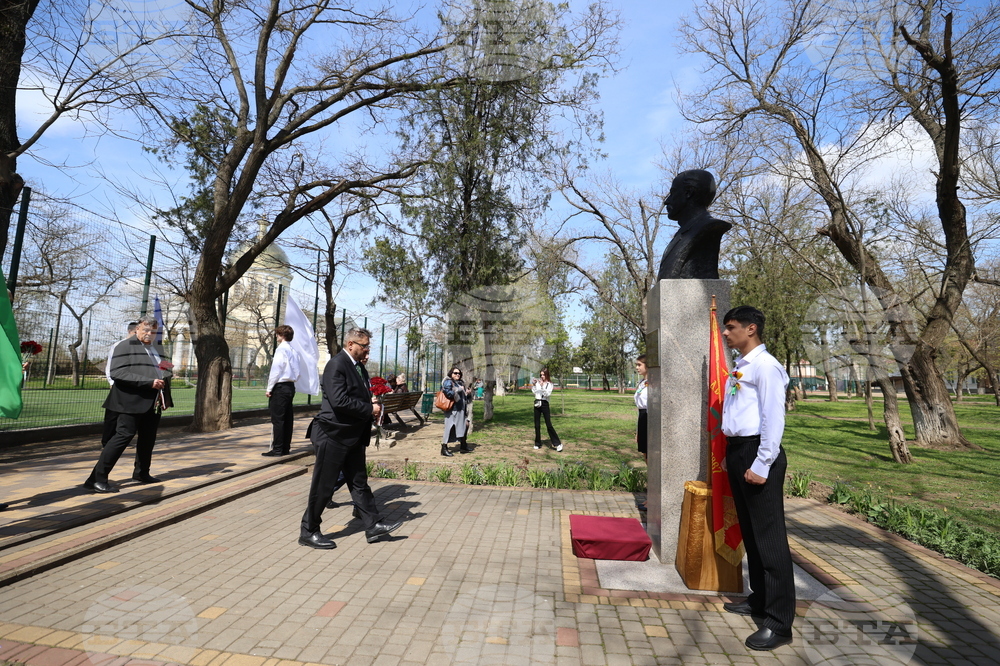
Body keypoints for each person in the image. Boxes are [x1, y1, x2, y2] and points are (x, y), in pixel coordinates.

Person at [720, 305, 795, 651]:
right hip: (740, 450)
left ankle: (779, 623)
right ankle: (760, 600)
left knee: (770, 539)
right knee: (751, 533)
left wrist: (762, 463)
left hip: (758, 451)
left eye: (731, 327)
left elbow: (773, 418)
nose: (725, 333)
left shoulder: (766, 366)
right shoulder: (742, 366)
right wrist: (733, 454)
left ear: (751, 329)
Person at [299, 327, 402, 549]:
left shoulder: (359, 368)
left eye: (368, 347)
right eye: (364, 346)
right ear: (350, 344)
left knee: (359, 482)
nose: (367, 351)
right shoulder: (336, 365)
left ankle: (373, 525)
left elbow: (357, 395)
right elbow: (339, 401)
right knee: (323, 486)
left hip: (352, 435)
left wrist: (371, 401)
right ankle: (309, 531)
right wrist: (369, 409)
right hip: (332, 434)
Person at [85, 316, 173, 493]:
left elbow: (161, 370)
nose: (149, 334)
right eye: (146, 330)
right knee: (122, 436)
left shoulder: (156, 348)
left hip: (153, 402)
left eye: (153, 331)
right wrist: (149, 382)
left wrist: (167, 373)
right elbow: (118, 372)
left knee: (148, 439)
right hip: (130, 401)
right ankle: (96, 479)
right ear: (137, 329)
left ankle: (142, 473)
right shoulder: (124, 346)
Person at [656, 169, 733, 280]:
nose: (667, 201)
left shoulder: (708, 228)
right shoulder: (682, 234)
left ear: (688, 193)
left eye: (673, 193)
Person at [263, 324, 301, 457]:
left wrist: (269, 388)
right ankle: (285, 447)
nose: (276, 336)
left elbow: (276, 370)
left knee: (278, 419)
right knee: (287, 418)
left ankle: (277, 449)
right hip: (290, 386)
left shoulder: (281, 350)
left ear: (282, 335)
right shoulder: (294, 351)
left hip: (280, 386)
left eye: (278, 334)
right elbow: (298, 371)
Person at [102, 321, 139, 446]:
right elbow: (110, 365)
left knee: (127, 415)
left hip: (132, 385)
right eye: (135, 333)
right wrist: (111, 381)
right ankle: (107, 441)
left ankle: (121, 439)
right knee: (112, 415)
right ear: (130, 331)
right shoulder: (119, 345)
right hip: (118, 383)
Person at [440, 367, 472, 456]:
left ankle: (463, 445)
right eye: (455, 373)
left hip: (461, 409)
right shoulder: (448, 381)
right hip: (452, 409)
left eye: (459, 373)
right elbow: (448, 393)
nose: (458, 375)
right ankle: (444, 448)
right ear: (451, 373)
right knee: (449, 428)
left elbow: (463, 397)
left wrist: (467, 393)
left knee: (466, 425)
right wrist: (459, 390)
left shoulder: (460, 382)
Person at [532, 369, 562, 452]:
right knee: (537, 425)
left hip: (545, 404)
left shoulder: (549, 384)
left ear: (547, 375)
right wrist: (534, 385)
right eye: (541, 375)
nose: (542, 376)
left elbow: (547, 394)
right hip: (537, 403)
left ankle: (557, 443)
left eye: (543, 375)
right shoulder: (538, 382)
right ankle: (537, 443)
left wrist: (542, 387)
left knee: (548, 424)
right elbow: (534, 392)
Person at [634, 355, 649, 511]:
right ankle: (650, 497)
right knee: (646, 459)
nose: (637, 368)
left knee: (651, 460)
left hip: (650, 419)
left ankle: (653, 498)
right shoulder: (642, 382)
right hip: (642, 419)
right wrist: (637, 431)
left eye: (640, 365)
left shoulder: (654, 383)